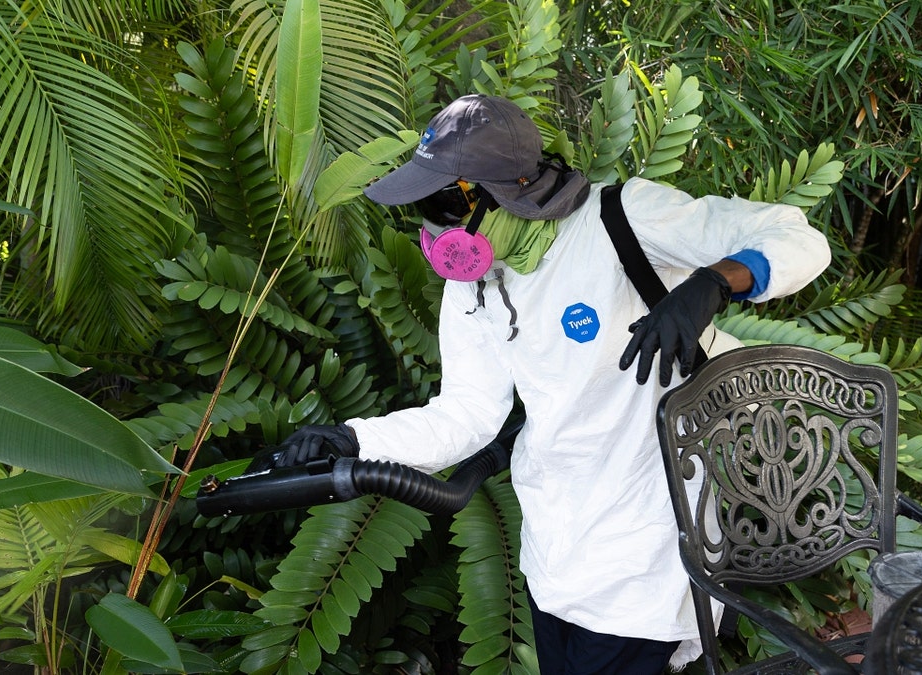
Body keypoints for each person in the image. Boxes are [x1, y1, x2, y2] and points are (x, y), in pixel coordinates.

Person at [256, 94, 831, 673]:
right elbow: (466, 414)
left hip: (645, 532)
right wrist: (353, 441)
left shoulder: (622, 221)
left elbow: (798, 238)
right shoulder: (474, 288)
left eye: (444, 207)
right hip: (555, 542)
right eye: (424, 209)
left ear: (507, 190)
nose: (433, 230)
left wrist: (715, 282)